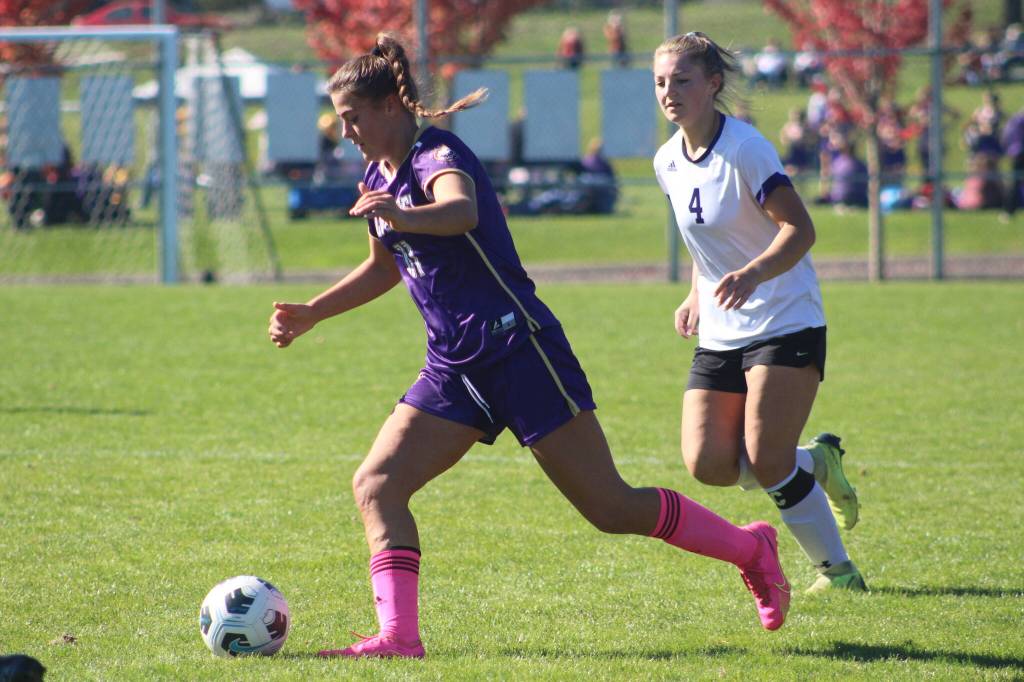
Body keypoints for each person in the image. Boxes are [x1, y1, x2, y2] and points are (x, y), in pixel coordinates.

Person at [268, 32, 792, 660]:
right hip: (454, 365)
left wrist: (403, 213)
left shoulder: (437, 153)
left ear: (388, 108)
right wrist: (314, 313)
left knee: (610, 506)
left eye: (353, 118)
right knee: (377, 484)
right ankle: (399, 637)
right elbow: (384, 267)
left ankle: (750, 547)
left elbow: (458, 212)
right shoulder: (378, 172)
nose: (345, 131)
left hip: (520, 351)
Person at [651, 32, 866, 595]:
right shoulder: (666, 160)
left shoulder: (746, 148)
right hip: (724, 327)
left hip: (785, 317)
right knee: (708, 463)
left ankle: (837, 572)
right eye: (660, 82)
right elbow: (707, 246)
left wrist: (753, 274)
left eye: (682, 80)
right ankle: (817, 464)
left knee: (767, 459)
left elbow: (800, 229)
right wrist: (697, 294)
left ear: (713, 84)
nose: (669, 92)